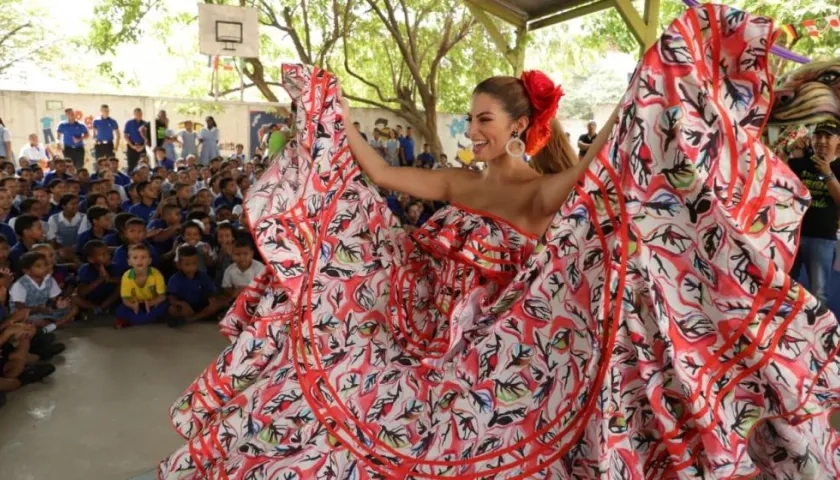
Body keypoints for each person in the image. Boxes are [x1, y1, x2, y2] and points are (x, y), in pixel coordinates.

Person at [159, 10, 840, 478]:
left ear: (518, 128)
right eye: (470, 116)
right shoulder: (458, 184)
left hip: (517, 363)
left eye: (483, 118)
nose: (471, 127)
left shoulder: (546, 194)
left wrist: (652, 76)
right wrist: (331, 117)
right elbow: (376, 173)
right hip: (439, 349)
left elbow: (618, 156)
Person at [787, 121, 840, 304]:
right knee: (786, 288)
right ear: (812, 139)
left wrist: (828, 174)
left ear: (838, 140)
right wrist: (790, 150)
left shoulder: (838, 167)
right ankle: (789, 328)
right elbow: (776, 175)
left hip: (822, 238)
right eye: (818, 136)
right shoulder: (801, 162)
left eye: (828, 136)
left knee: (819, 293)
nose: (822, 141)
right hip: (792, 235)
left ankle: (821, 331)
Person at [9, 251, 76, 329]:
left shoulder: (49, 279)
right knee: (35, 321)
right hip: (28, 314)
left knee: (74, 308)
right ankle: (55, 325)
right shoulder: (20, 285)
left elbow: (55, 298)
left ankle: (53, 325)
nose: (44, 268)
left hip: (45, 311)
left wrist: (59, 303)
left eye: (45, 265)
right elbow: (20, 308)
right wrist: (39, 309)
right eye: (38, 266)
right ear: (27, 271)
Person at [166, 245, 226, 326]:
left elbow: (211, 291)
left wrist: (211, 298)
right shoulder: (174, 279)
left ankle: (191, 319)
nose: (191, 267)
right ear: (179, 265)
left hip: (201, 305)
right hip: (185, 306)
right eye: (187, 264)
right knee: (172, 309)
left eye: (194, 263)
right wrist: (181, 303)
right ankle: (200, 317)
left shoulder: (203, 276)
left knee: (218, 304)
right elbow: (171, 298)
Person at [114, 244, 167, 328]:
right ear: (129, 262)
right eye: (135, 258)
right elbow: (125, 299)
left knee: (164, 307)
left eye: (143, 257)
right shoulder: (126, 276)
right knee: (120, 310)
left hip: (152, 302)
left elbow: (162, 296)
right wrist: (133, 306)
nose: (139, 260)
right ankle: (142, 318)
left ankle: (134, 320)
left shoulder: (156, 274)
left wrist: (152, 303)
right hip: (135, 303)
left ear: (149, 261)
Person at [74, 240, 120, 314]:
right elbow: (81, 292)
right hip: (91, 300)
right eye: (103, 254)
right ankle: (95, 309)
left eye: (108, 253)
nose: (108, 256)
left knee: (120, 288)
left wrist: (109, 279)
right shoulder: (85, 269)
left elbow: (124, 281)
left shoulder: (115, 267)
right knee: (74, 297)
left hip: (109, 299)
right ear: (91, 259)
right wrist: (99, 280)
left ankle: (103, 307)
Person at [124, 108, 148, 173]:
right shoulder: (129, 123)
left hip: (142, 146)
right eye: (137, 114)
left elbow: (147, 137)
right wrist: (132, 146)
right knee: (131, 165)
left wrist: (143, 146)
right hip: (132, 146)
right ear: (134, 114)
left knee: (143, 164)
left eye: (140, 113)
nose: (139, 115)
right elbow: (125, 135)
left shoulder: (145, 124)